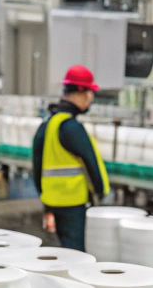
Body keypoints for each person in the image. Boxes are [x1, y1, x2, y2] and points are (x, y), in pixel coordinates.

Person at [32, 64, 110, 251]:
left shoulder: (48, 124)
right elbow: (91, 162)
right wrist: (101, 192)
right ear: (85, 93)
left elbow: (36, 164)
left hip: (51, 199)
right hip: (73, 202)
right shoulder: (71, 127)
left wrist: (43, 195)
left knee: (62, 252)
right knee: (76, 252)